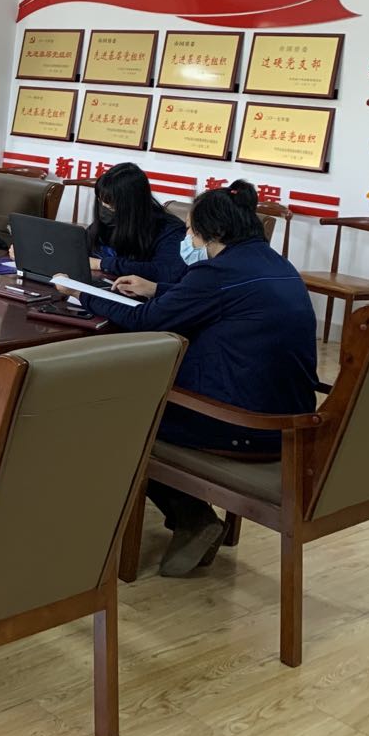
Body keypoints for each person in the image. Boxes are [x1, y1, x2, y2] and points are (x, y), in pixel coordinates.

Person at [71, 181, 319, 577]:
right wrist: (158, 288)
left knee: (120, 414)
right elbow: (215, 297)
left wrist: (78, 291)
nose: (187, 238)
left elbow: (144, 321)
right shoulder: (272, 263)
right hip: (290, 417)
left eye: (190, 230)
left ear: (214, 232)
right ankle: (191, 519)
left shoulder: (217, 271)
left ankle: (190, 518)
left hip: (244, 425)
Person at [87, 162, 188, 283]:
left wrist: (103, 263)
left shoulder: (169, 230)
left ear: (133, 204)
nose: (104, 207)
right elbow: (85, 250)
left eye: (111, 205)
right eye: (101, 201)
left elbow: (163, 271)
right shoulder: (106, 222)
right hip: (101, 284)